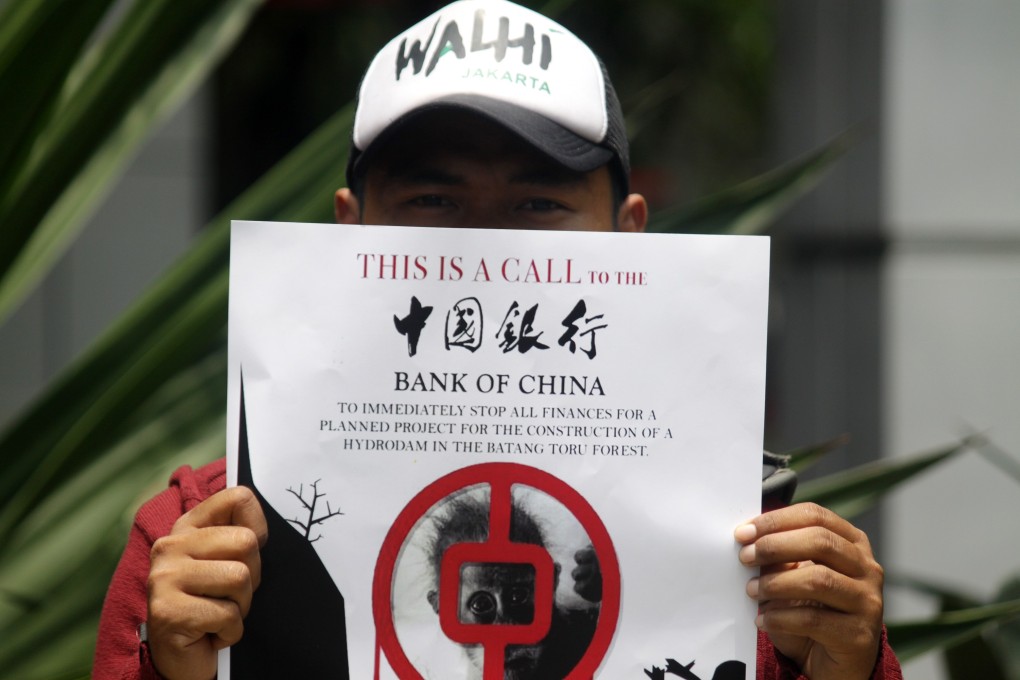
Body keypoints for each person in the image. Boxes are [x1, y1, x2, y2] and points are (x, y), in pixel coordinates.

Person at [93, 1, 901, 678]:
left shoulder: (757, 564)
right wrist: (167, 666)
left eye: (538, 206)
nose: (482, 252)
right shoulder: (205, 538)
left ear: (628, 236)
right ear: (350, 227)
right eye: (433, 201)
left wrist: (844, 664)